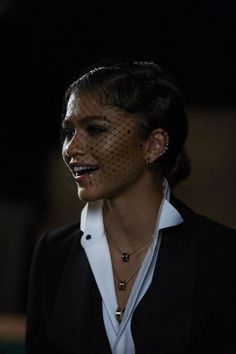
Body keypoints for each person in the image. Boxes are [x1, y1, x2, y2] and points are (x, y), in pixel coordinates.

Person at [25, 59, 236, 354]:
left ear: (153, 144)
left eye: (95, 129)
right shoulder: (52, 253)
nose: (71, 148)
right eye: (68, 131)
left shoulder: (222, 255)